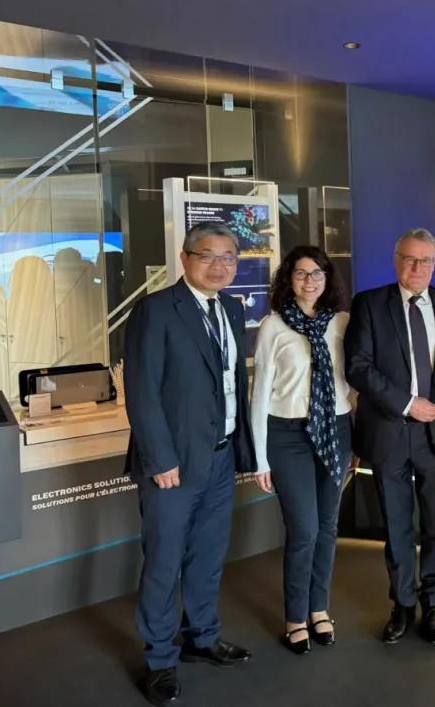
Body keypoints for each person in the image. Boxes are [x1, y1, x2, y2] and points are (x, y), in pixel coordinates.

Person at [124, 221, 255, 706]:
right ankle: (160, 658)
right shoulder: (156, 309)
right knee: (164, 562)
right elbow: (141, 390)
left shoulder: (231, 310)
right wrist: (160, 458)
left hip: (220, 457)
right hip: (173, 464)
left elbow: (231, 384)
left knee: (207, 555)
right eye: (208, 255)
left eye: (228, 257)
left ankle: (202, 636)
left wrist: (240, 449)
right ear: (184, 258)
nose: (219, 266)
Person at [343, 228, 435, 644]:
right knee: (396, 524)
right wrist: (407, 403)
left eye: (425, 260)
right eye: (409, 259)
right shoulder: (369, 303)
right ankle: (402, 603)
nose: (417, 267)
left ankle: (433, 602)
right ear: (396, 260)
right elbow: (358, 366)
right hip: (389, 430)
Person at [251, 245, 353, 655]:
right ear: (288, 279)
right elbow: (259, 393)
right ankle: (295, 617)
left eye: (317, 274)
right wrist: (259, 457)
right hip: (288, 434)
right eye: (301, 273)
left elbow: (353, 382)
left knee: (327, 527)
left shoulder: (342, 321)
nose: (309, 281)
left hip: (336, 430)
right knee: (304, 530)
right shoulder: (273, 326)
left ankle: (318, 609)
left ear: (328, 279)